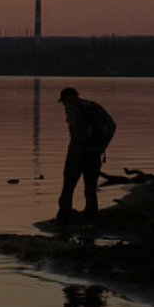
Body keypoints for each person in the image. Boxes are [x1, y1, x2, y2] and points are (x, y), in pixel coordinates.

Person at [57, 87, 116, 225]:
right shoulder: (94, 106)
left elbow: (74, 130)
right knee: (90, 189)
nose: (64, 105)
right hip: (94, 153)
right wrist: (102, 146)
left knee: (68, 187)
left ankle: (63, 218)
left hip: (77, 154)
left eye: (63, 101)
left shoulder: (71, 108)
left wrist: (78, 148)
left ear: (67, 98)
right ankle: (92, 219)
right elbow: (112, 126)